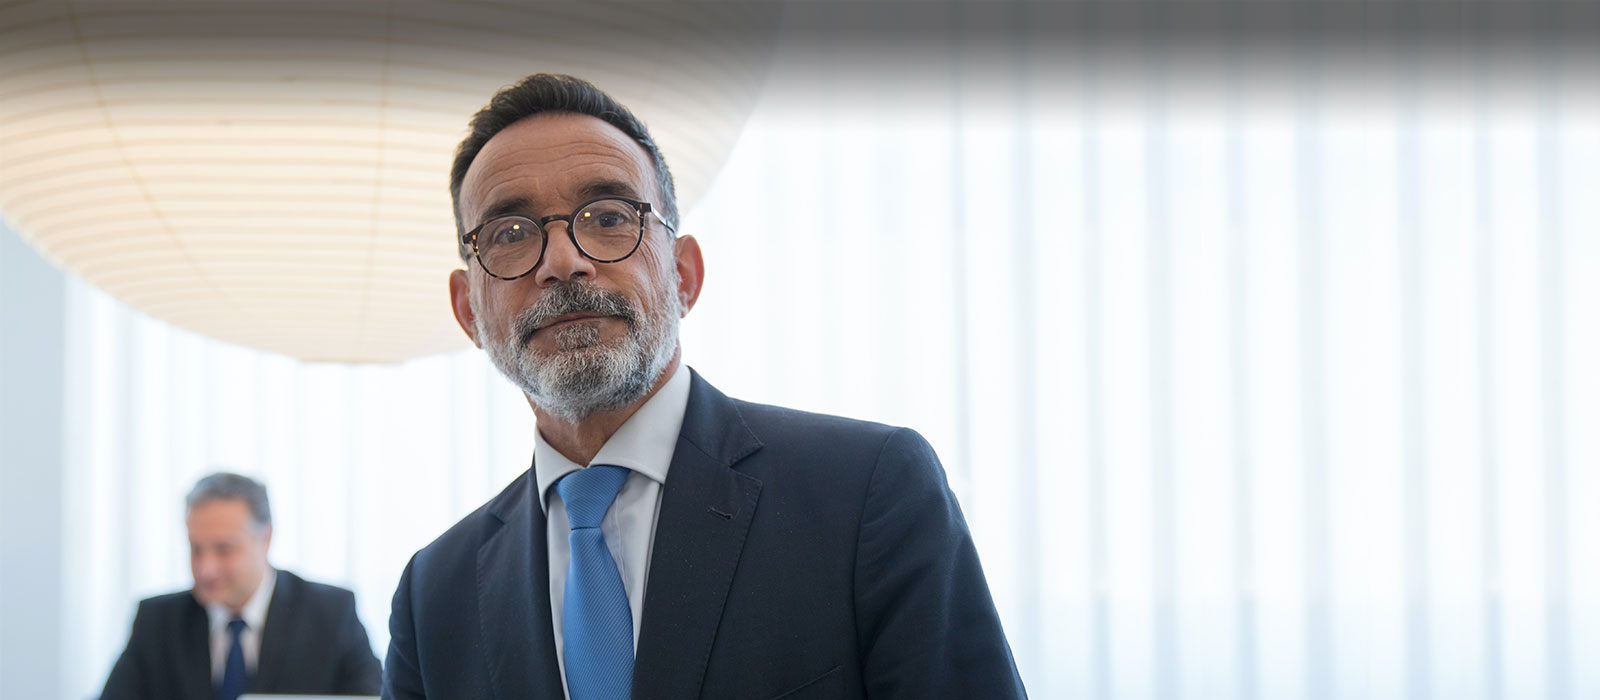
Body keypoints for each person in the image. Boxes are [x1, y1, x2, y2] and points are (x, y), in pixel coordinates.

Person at [383, 74, 1027, 700]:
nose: (562, 261)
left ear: (683, 275)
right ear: (468, 310)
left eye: (608, 217)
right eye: (510, 234)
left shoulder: (867, 492)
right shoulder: (434, 593)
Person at [101, 472, 382, 700]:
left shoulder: (330, 613)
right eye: (196, 549)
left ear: (266, 538)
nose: (205, 568)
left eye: (224, 550)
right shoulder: (158, 622)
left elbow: (372, 695)